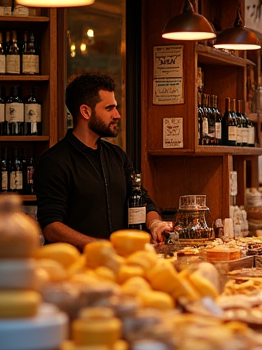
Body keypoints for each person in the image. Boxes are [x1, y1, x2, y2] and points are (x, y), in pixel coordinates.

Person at [35, 72, 172, 248]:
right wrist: (102, 246)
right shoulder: (54, 162)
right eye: (109, 108)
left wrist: (155, 224)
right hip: (78, 268)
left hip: (120, 263)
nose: (117, 115)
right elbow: (51, 227)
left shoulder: (117, 155)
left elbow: (142, 199)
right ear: (85, 111)